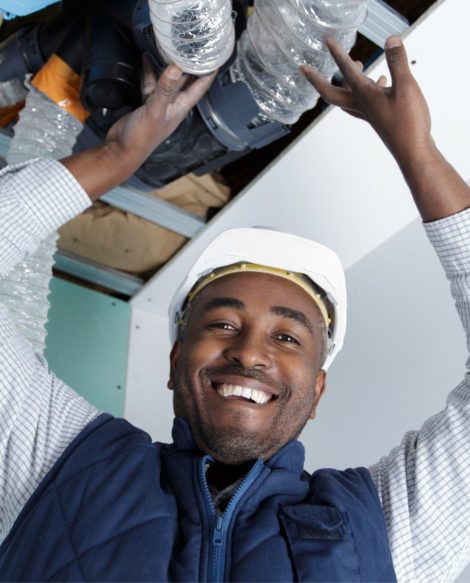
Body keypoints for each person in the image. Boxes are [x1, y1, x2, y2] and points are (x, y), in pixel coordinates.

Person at [0, 35, 469, 581]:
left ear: (317, 390)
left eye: (288, 337)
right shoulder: (64, 465)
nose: (249, 354)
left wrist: (419, 151)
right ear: (175, 361)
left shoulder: (382, 529)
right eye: (223, 323)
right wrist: (114, 158)